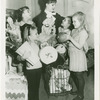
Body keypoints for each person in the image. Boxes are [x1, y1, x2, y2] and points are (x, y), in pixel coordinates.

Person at [66, 12, 89, 100]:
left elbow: (79, 46)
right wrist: (69, 42)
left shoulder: (83, 32)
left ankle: (81, 95)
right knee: (74, 74)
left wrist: (70, 38)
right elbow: (73, 42)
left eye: (75, 21)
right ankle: (79, 90)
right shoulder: (74, 30)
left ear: (81, 21)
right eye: (72, 21)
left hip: (78, 57)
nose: (73, 23)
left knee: (79, 76)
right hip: (72, 55)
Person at [19, 25, 42, 100]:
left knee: (37, 88)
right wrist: (23, 58)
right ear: (29, 36)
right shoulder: (25, 45)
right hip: (31, 70)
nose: (37, 35)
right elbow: (18, 58)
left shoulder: (37, 43)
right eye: (35, 34)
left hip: (39, 68)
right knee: (32, 90)